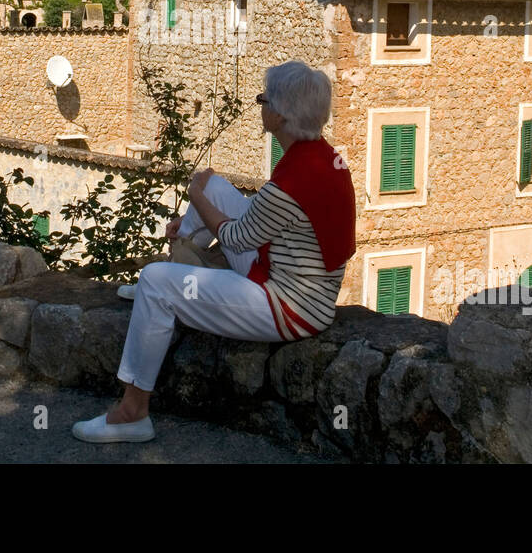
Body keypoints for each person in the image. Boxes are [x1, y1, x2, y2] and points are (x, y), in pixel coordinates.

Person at [72, 60, 356, 443]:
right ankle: (177, 267)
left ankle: (132, 412)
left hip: (288, 307)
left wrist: (194, 194)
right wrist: (205, 197)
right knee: (218, 187)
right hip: (291, 278)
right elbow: (263, 225)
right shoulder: (322, 159)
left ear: (280, 114)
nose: (261, 106)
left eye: (263, 99)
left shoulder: (291, 183)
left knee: (155, 279)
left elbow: (236, 237)